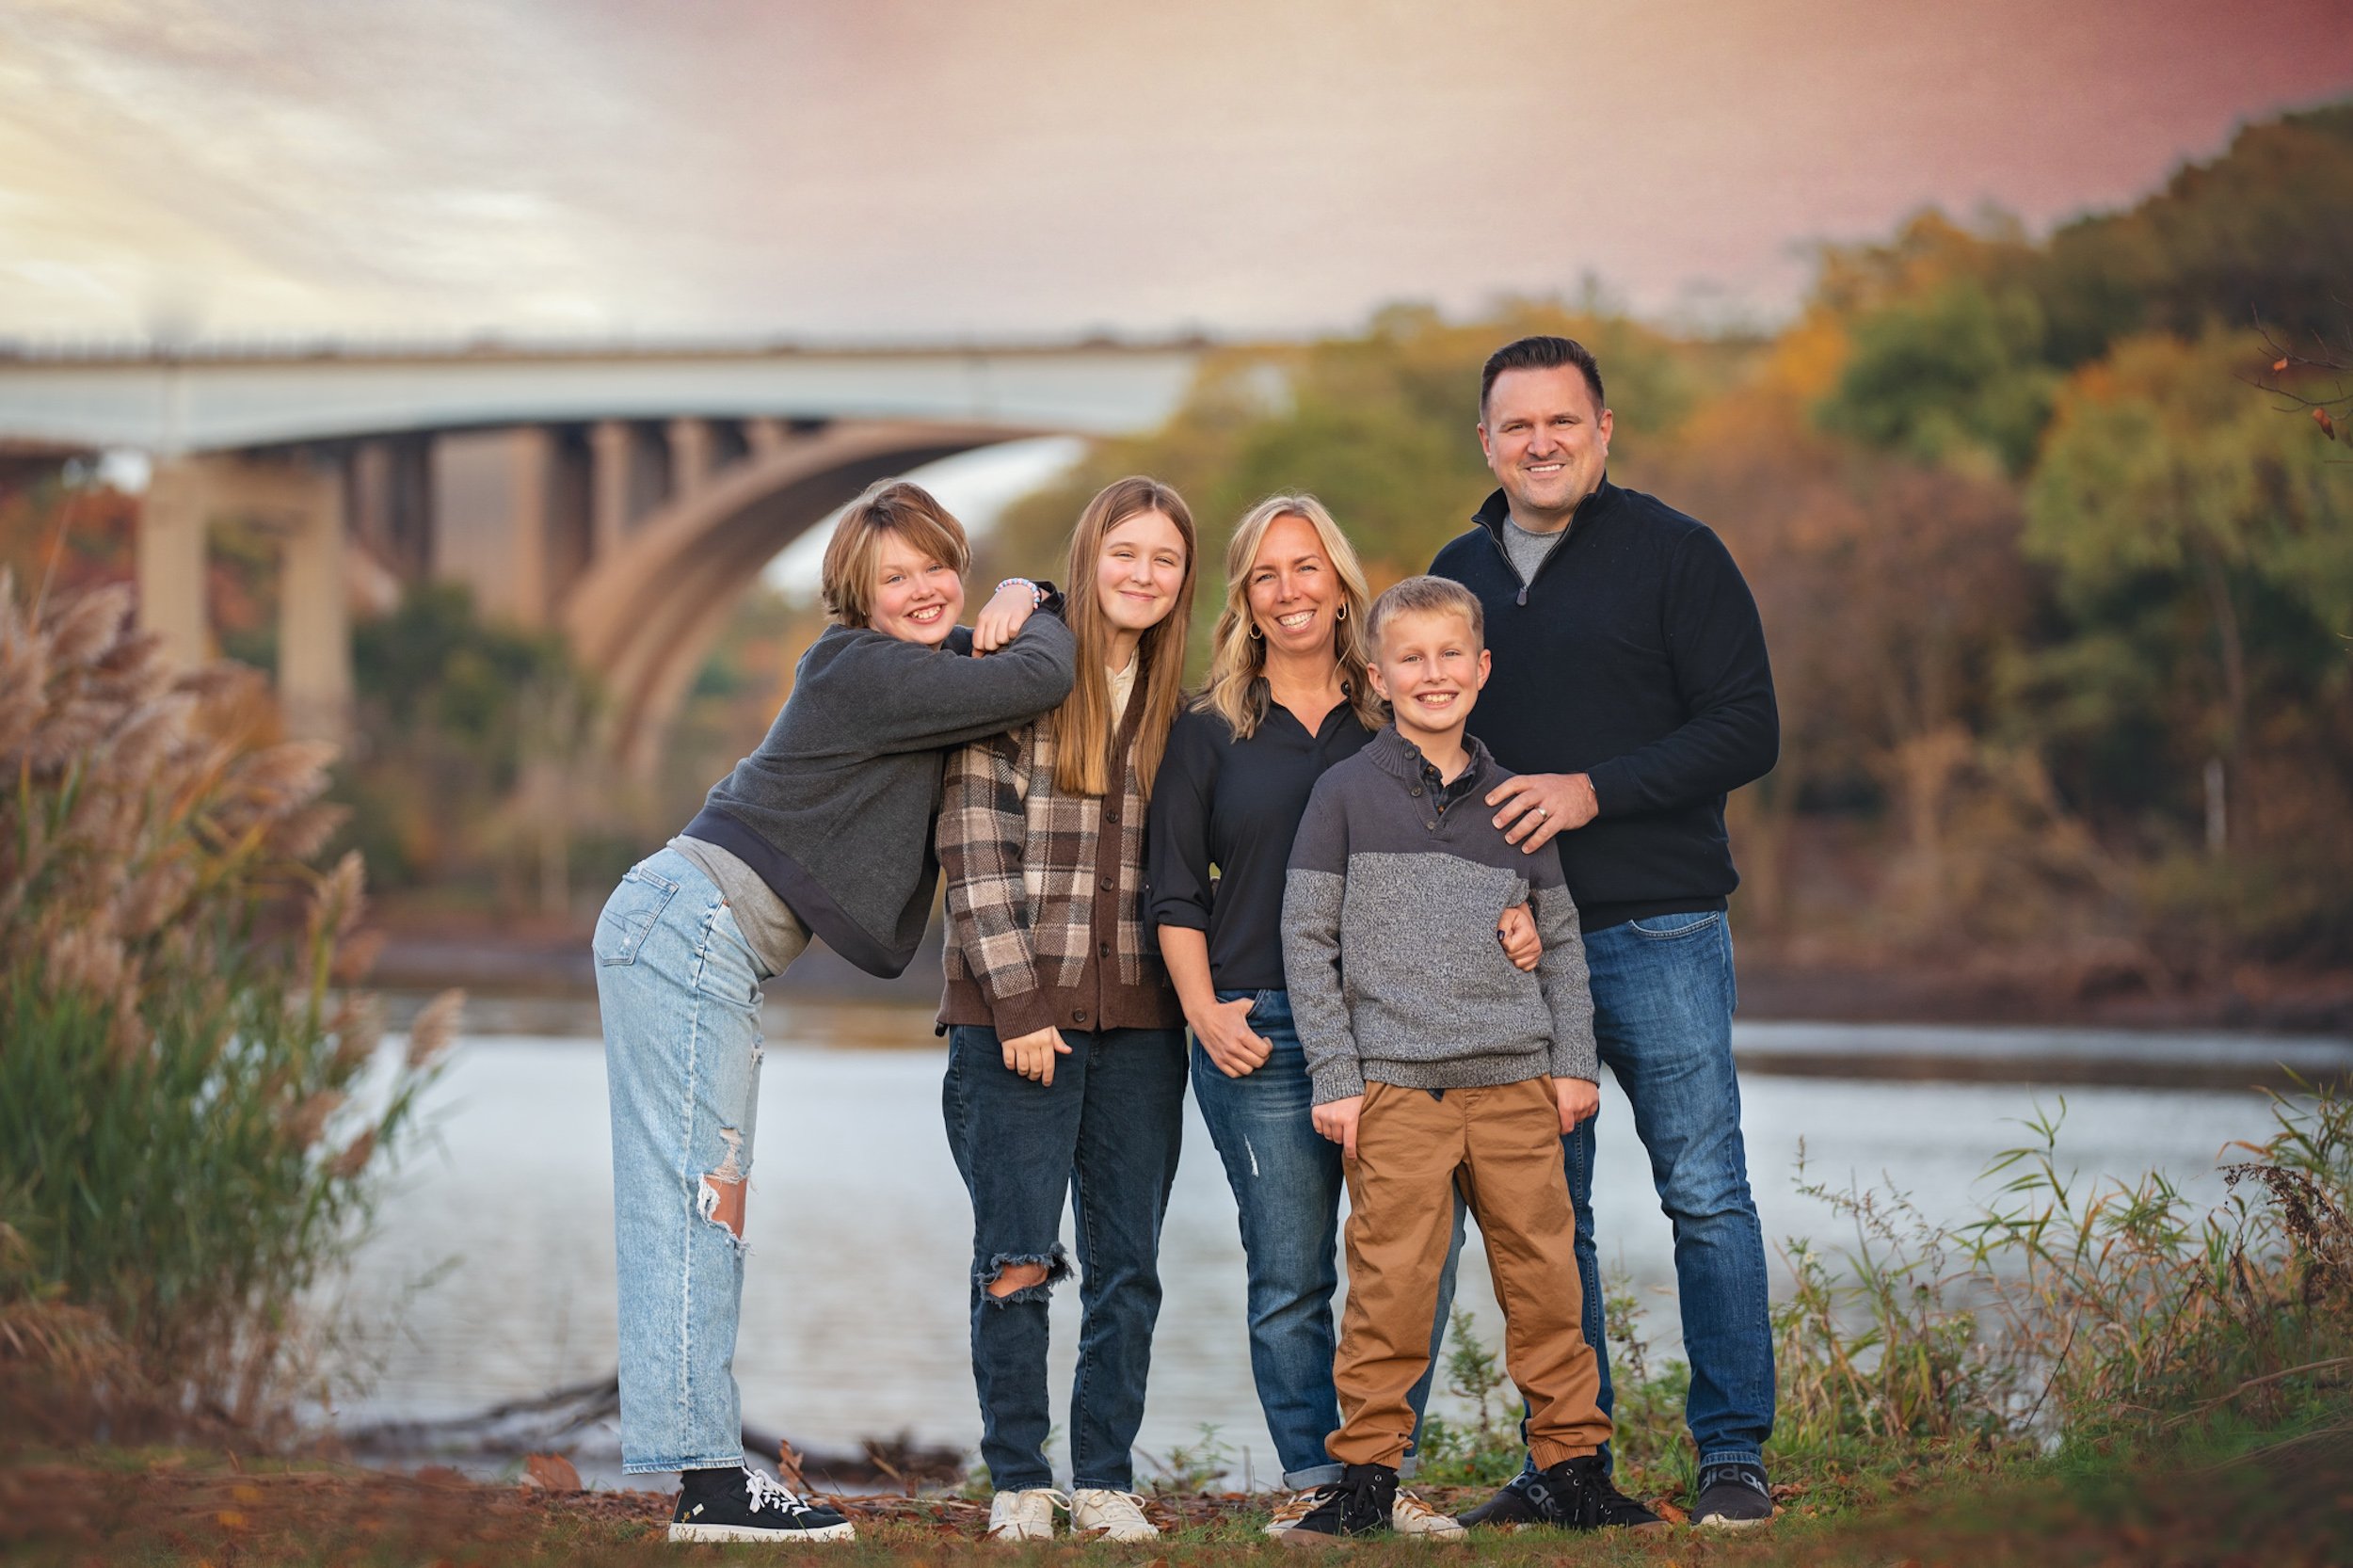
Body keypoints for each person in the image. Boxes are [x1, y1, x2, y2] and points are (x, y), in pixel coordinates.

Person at [595, 480, 1073, 1544]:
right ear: (856, 599)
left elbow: (1022, 659)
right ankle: (711, 1488)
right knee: (696, 1203)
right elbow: (1046, 670)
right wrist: (1027, 596)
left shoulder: (918, 672)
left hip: (692, 933)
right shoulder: (859, 666)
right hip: (686, 929)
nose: (920, 590)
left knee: (704, 1198)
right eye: (892, 577)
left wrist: (1020, 590)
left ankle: (705, 1476)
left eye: (934, 568)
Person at [1432, 335, 1782, 1531]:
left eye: (1560, 422)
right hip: (1514, 944)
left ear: (1603, 428)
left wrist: (1594, 788)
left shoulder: (1678, 556)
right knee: (1545, 1216)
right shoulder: (1455, 569)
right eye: (1515, 425)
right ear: (1486, 441)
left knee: (1703, 1192)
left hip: (1661, 924)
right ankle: (1567, 1464)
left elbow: (1746, 729)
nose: (1539, 442)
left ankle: (1732, 1455)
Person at [1144, 495, 1540, 1540]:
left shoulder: (1396, 715)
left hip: (1398, 1033)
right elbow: (1174, 891)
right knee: (1289, 1270)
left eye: (1308, 567)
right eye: (1267, 574)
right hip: (1259, 1026)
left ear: (1340, 581)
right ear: (1244, 598)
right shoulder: (1208, 728)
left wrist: (1519, 928)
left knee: (1414, 1261)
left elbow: (1475, 849)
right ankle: (1321, 1479)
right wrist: (1200, 1011)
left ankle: (1381, 1470)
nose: (1290, 591)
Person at [1275, 574, 1663, 1544]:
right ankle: (1364, 1479)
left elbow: (1561, 941)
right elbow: (1306, 942)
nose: (1433, 673)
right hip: (1396, 1087)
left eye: (1452, 654)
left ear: (1482, 669)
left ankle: (1572, 1467)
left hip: (1514, 1082)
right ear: (1378, 675)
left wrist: (1573, 1060)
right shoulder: (1343, 795)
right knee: (1390, 1286)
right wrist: (1335, 1075)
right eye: (1411, 657)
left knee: (1544, 1280)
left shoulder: (1516, 800)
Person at [935, 477, 1199, 1544]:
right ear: (1088, 560)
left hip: (1141, 1024)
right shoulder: (1018, 677)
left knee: (1128, 1264)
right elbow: (971, 846)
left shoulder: (1187, 707)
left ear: (1184, 581)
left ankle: (1103, 1478)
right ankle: (1016, 1477)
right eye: (1123, 552)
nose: (1142, 573)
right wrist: (1018, 1003)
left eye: (1164, 558)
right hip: (1014, 1018)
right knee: (1015, 1257)